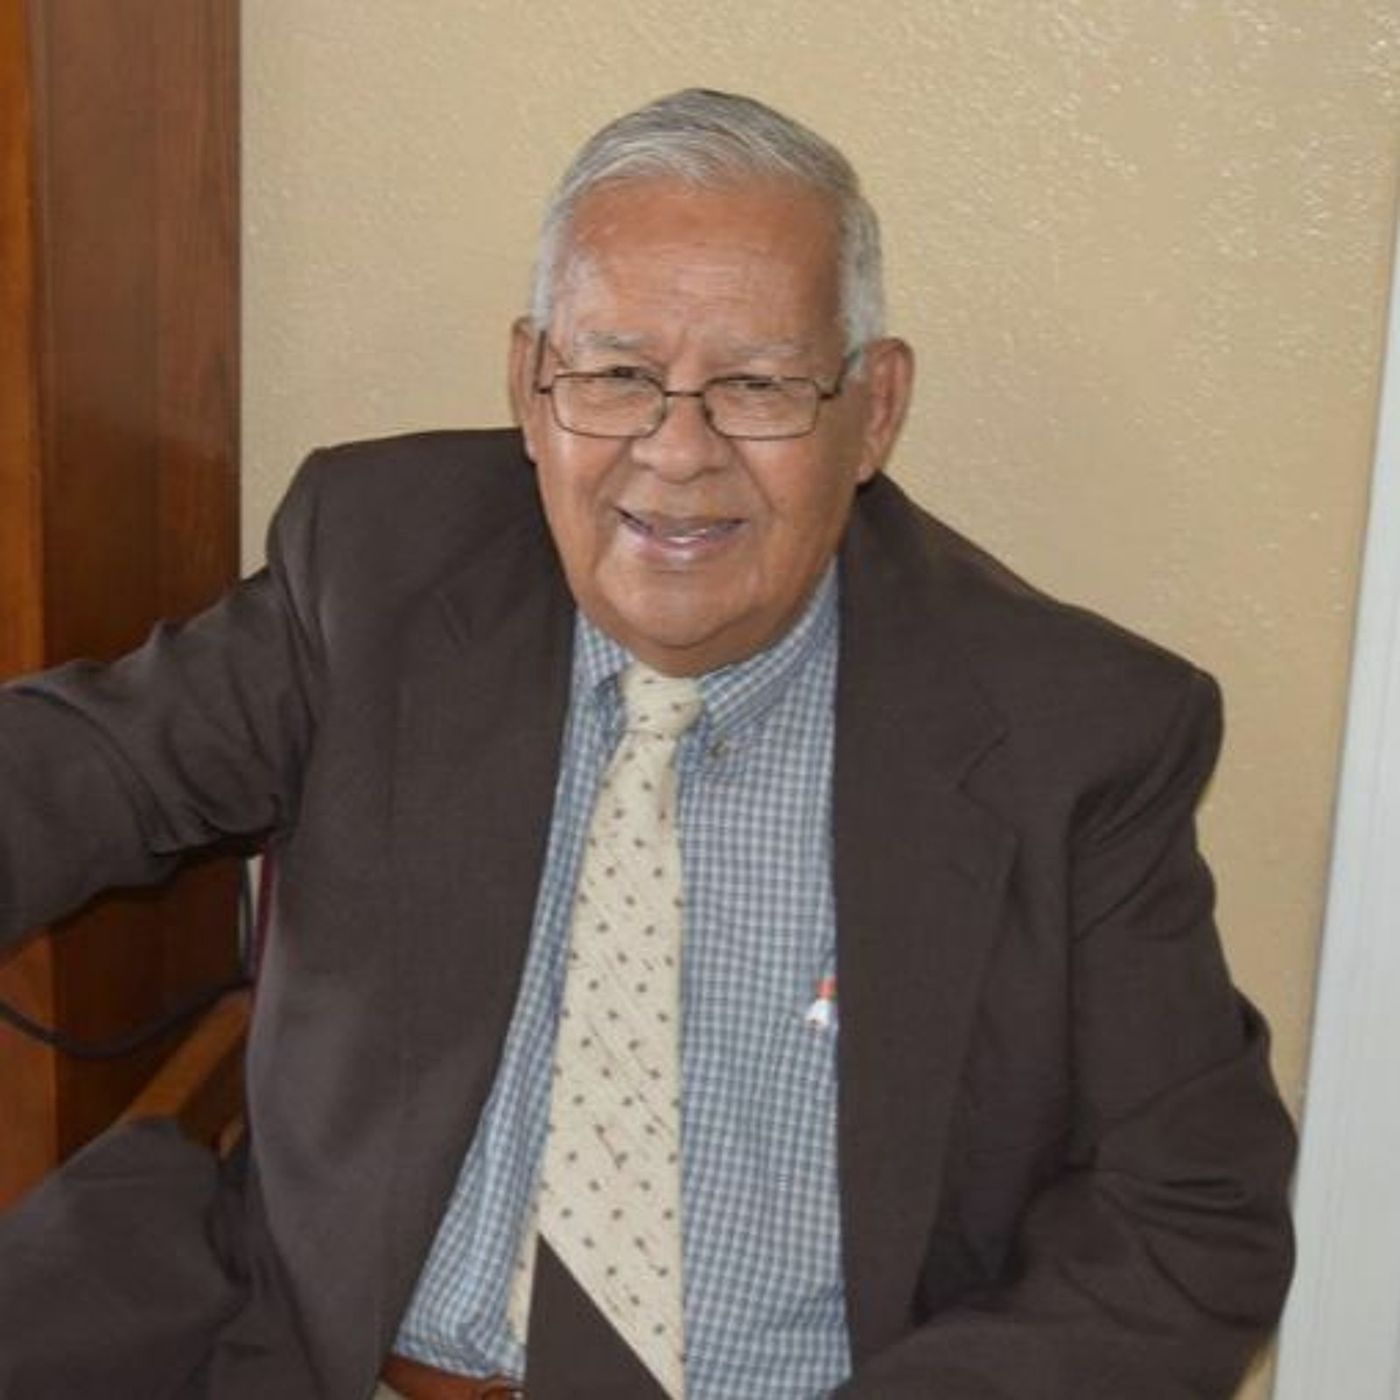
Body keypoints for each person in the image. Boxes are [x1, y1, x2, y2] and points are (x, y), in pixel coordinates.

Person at [0, 89, 1293, 1399]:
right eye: (618, 376)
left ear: (874, 408)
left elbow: (1190, 1219)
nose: (677, 453)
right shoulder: (380, 565)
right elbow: (82, 768)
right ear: (531, 383)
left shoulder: (1071, 736)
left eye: (758, 385)